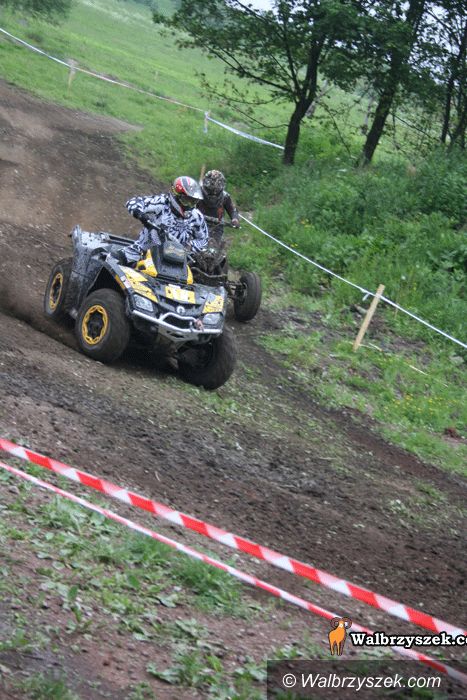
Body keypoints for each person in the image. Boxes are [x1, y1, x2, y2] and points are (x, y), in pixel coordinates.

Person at [117, 176, 208, 265]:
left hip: (178, 260)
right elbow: (133, 202)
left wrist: (190, 246)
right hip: (144, 252)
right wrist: (141, 215)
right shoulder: (161, 203)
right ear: (175, 195)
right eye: (186, 201)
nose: (189, 205)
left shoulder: (196, 216)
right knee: (115, 258)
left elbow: (203, 240)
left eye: (193, 202)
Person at [198, 169, 239, 243]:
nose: (213, 194)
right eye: (210, 191)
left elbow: (232, 209)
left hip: (216, 227)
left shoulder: (225, 197)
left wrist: (234, 219)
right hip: (198, 223)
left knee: (213, 245)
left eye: (216, 191)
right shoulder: (197, 193)